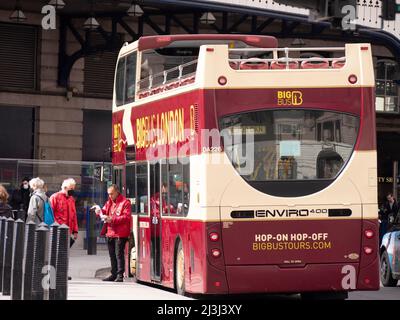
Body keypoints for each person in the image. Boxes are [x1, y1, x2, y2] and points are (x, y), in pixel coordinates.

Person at [94, 184, 131, 282]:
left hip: (120, 233)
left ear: (117, 192)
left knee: (119, 254)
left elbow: (126, 217)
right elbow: (104, 211)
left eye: (112, 194)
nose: (110, 196)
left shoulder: (125, 202)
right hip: (110, 232)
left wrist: (112, 219)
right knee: (112, 255)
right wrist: (99, 211)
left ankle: (120, 275)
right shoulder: (109, 202)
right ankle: (113, 274)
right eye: (108, 194)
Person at [50, 178, 79, 244]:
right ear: (65, 188)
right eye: (71, 189)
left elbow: (74, 216)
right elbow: (51, 214)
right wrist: (55, 227)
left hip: (68, 230)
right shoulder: (55, 197)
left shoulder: (71, 199)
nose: (72, 191)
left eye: (73, 189)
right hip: (58, 230)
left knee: (64, 252)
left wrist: (75, 231)